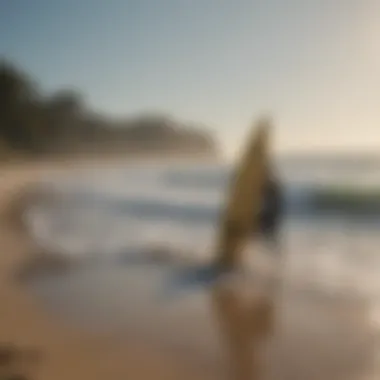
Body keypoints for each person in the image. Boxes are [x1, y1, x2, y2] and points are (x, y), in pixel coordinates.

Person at [257, 173, 284, 251]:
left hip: (268, 213)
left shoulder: (269, 188)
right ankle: (271, 244)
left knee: (267, 229)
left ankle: (270, 244)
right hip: (270, 213)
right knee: (269, 229)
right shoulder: (272, 188)